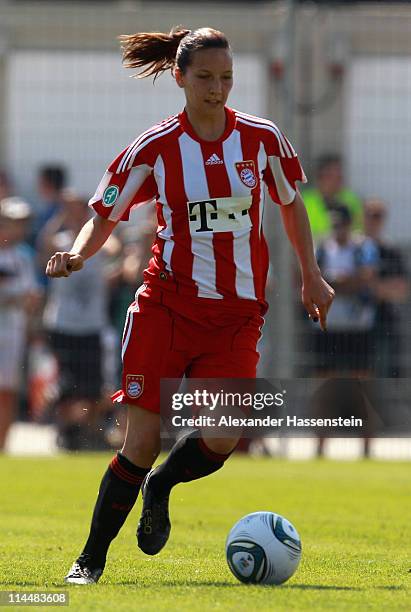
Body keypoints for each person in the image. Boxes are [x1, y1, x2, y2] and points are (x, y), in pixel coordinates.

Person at [45, 27, 334, 584]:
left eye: (226, 78)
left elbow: (293, 206)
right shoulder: (154, 147)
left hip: (236, 314)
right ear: (179, 77)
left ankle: (163, 485)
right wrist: (77, 255)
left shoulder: (262, 139)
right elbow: (105, 214)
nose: (216, 88)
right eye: (204, 77)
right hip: (166, 308)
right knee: (141, 440)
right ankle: (89, 562)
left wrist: (312, 276)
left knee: (225, 435)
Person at [40, 190, 110, 450]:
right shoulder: (59, 240)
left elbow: (114, 246)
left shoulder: (97, 242)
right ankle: (65, 432)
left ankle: (88, 432)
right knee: (65, 385)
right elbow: (44, 244)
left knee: (92, 386)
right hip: (63, 324)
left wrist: (93, 221)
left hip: (91, 324)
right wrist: (60, 218)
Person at [0, 197, 40, 450]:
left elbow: (32, 296)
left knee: (7, 391)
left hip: (12, 331)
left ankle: (2, 447)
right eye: (14, 222)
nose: (19, 228)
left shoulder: (22, 256)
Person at [363, 198, 409, 377]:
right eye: (370, 215)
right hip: (356, 326)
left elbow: (402, 290)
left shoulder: (391, 250)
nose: (374, 220)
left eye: (378, 216)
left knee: (388, 374)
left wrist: (371, 288)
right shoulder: (356, 247)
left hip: (385, 322)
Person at [302, 154, 363, 242]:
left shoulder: (351, 200)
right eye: (331, 176)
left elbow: (360, 230)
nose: (338, 180)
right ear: (320, 177)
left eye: (339, 175)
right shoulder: (306, 201)